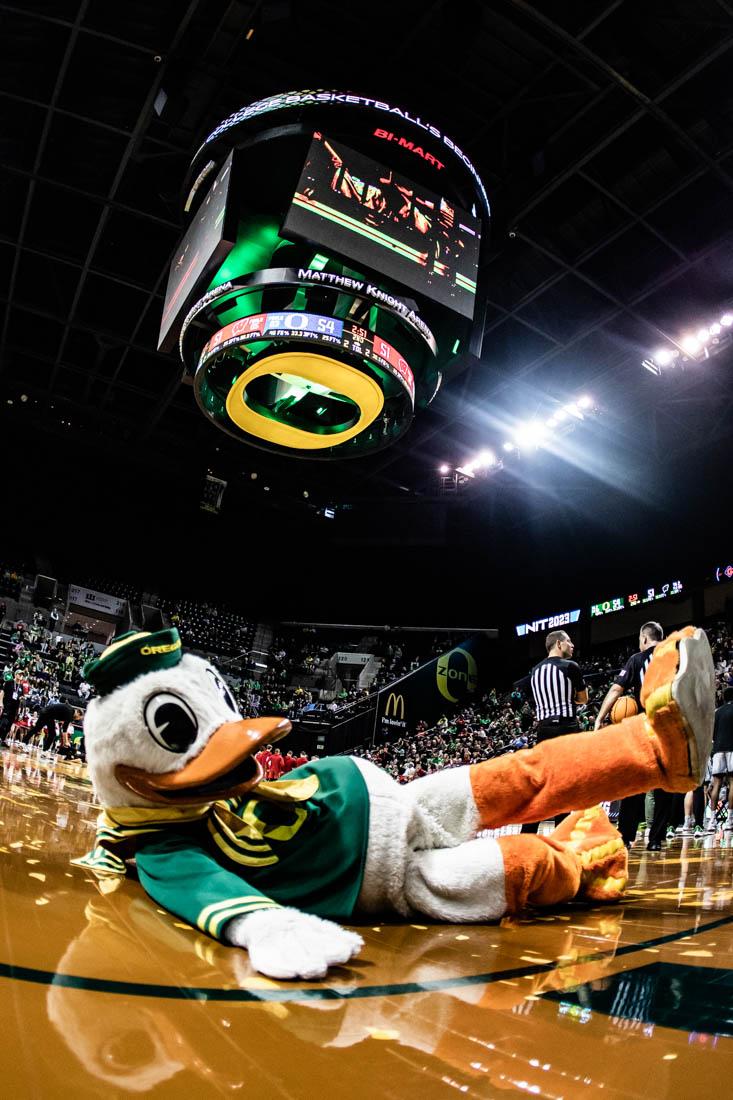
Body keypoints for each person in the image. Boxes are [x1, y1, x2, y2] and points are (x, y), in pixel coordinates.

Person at [594, 622, 670, 850]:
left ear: (644, 639)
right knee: (666, 786)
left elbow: (617, 689)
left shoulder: (637, 660)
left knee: (635, 782)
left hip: (645, 727)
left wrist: (600, 717)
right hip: (669, 728)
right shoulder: (675, 655)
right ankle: (656, 840)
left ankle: (625, 836)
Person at [521, 629, 587, 833]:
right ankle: (562, 835)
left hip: (543, 731)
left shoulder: (534, 671)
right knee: (567, 785)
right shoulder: (570, 666)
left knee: (543, 784)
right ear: (559, 644)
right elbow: (583, 699)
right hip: (566, 728)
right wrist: (572, 699)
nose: (572, 645)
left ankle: (528, 833)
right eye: (569, 641)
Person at [707, 686, 733, 831]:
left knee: (716, 784)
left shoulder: (717, 713)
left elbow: (712, 735)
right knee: (732, 782)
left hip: (718, 750)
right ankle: (729, 820)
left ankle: (712, 821)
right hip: (732, 748)